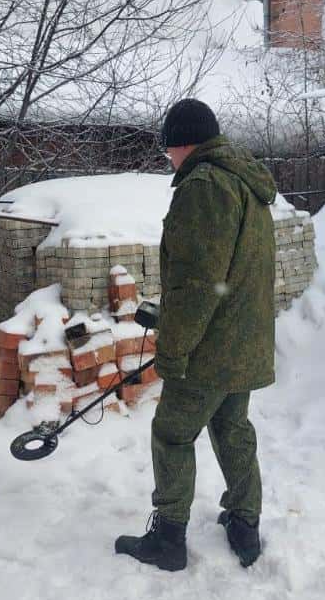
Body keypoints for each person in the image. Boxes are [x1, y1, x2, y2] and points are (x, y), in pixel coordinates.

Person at [115, 99, 277, 571]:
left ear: (182, 143)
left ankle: (168, 539)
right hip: (244, 342)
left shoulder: (204, 186)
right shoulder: (246, 184)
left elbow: (197, 284)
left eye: (169, 149)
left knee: (171, 434)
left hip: (209, 348)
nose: (168, 158)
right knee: (232, 427)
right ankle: (245, 525)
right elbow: (231, 275)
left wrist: (174, 348)